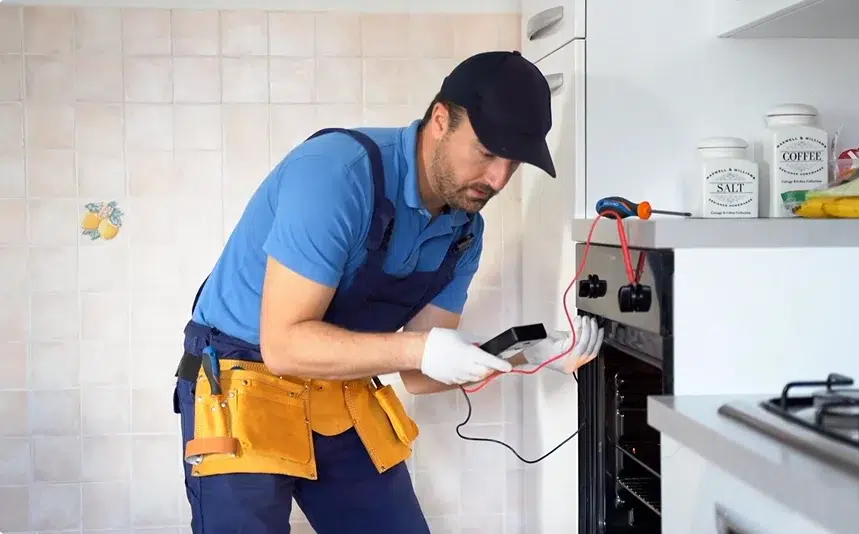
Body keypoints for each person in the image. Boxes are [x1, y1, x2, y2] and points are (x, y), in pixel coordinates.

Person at [172, 50, 605, 534]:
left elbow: (419, 373)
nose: (498, 179)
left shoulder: (464, 232)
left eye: (514, 162)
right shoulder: (337, 176)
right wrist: (421, 349)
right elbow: (285, 346)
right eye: (487, 153)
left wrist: (524, 354)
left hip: (337, 384)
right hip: (241, 377)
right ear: (440, 120)